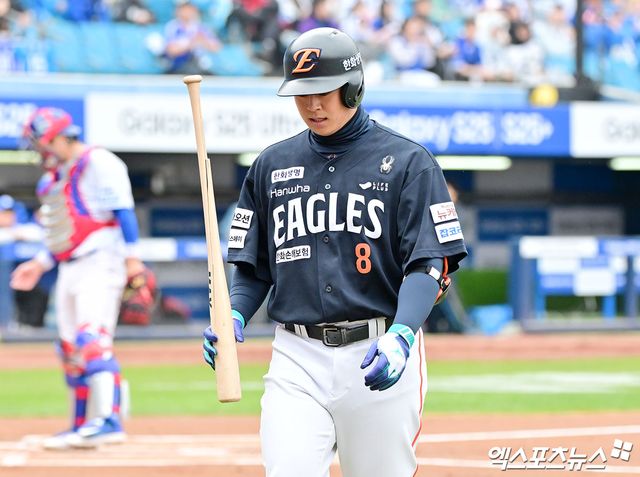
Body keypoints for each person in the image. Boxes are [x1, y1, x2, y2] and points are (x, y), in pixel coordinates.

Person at [202, 27, 467, 476]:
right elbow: (253, 265)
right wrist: (234, 315)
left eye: (323, 92)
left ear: (353, 87)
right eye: (301, 94)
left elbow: (429, 262)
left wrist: (403, 333)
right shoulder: (270, 165)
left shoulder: (409, 162)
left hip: (377, 348)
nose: (312, 105)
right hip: (297, 356)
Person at [10, 107, 144, 449]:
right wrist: (40, 264)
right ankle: (81, 425)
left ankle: (110, 421)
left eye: (42, 143)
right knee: (70, 348)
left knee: (92, 339)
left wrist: (133, 261)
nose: (40, 151)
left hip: (102, 261)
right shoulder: (60, 175)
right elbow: (66, 232)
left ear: (58, 138)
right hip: (70, 266)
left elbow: (123, 212)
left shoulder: (100, 162)